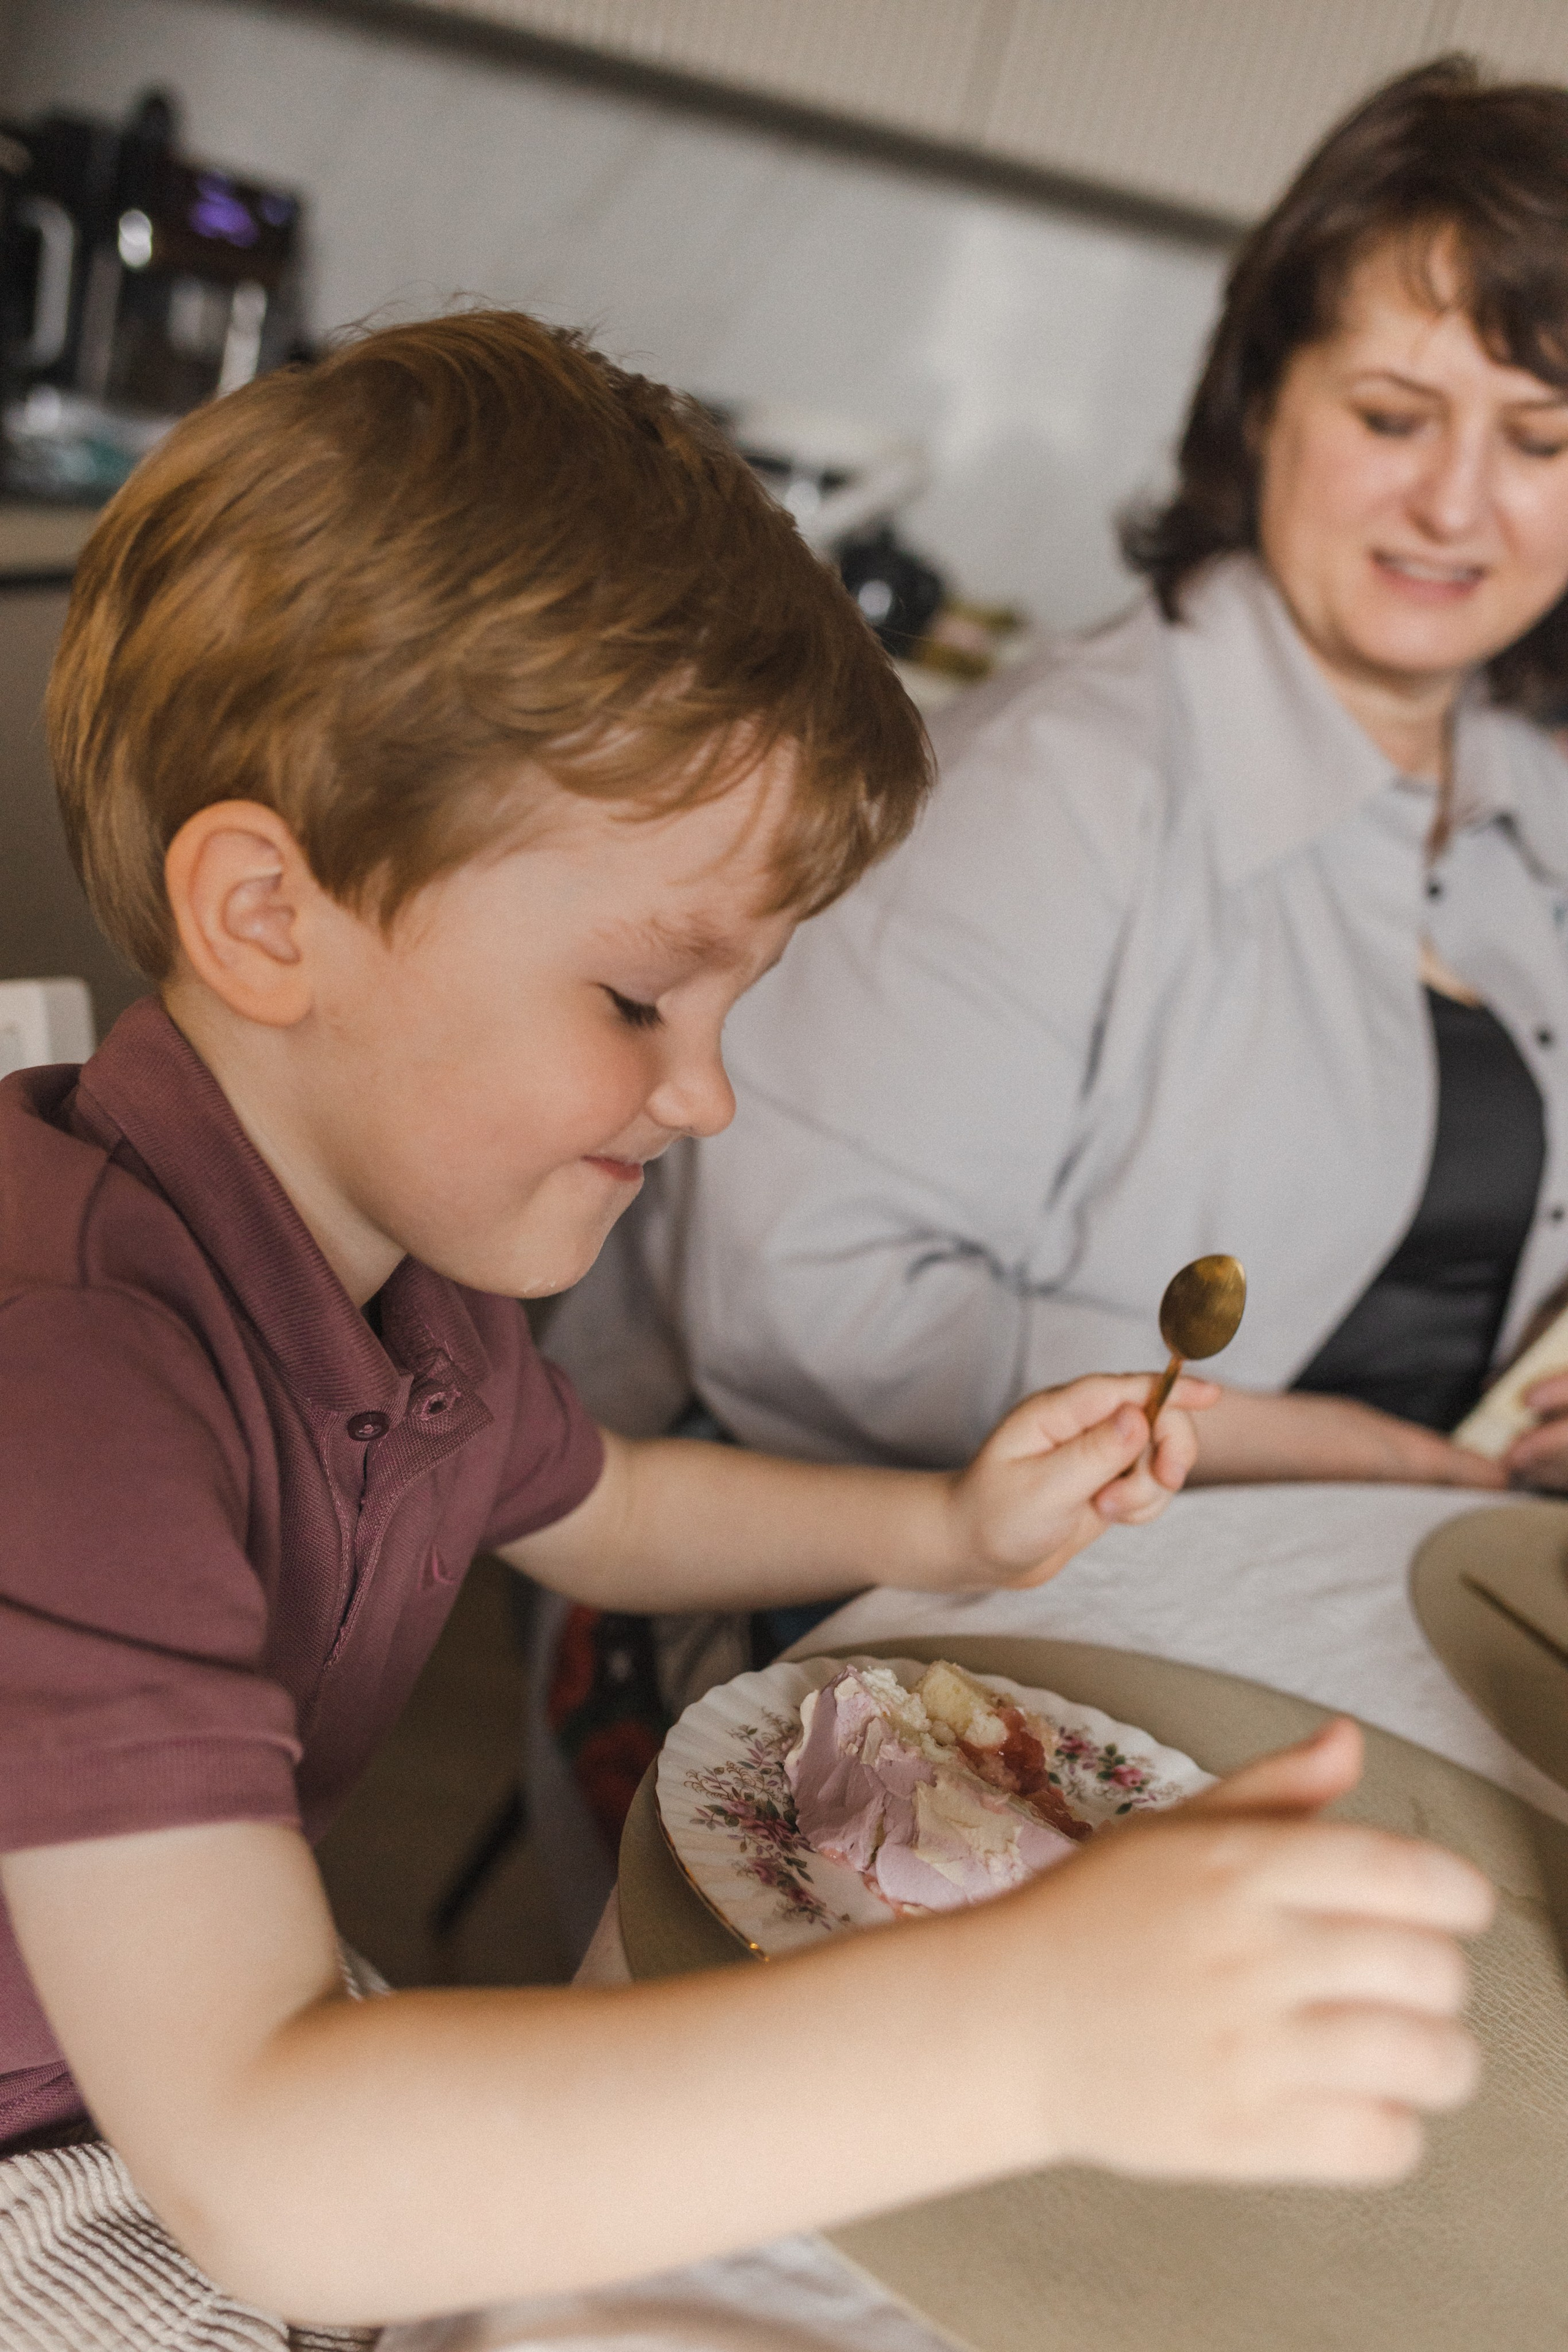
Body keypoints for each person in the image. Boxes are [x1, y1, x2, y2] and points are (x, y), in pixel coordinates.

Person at [0, 312, 1493, 2345]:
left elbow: (602, 1505)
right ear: (270, 918)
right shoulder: (73, 1371)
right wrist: (1037, 2028)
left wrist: (946, 1533)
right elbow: (268, 2172)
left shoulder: (388, 1262)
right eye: (636, 1002)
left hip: (148, 2059)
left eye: (731, 1012)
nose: (705, 1096)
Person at [552, 57, 1568, 1492]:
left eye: (1538, 439)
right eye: (1391, 418)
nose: (1455, 502)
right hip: (915, 1585)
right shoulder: (1051, 788)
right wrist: (1312, 1454)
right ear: (1261, 397)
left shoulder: (1534, 800)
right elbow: (807, 1306)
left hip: (1364, 1567)